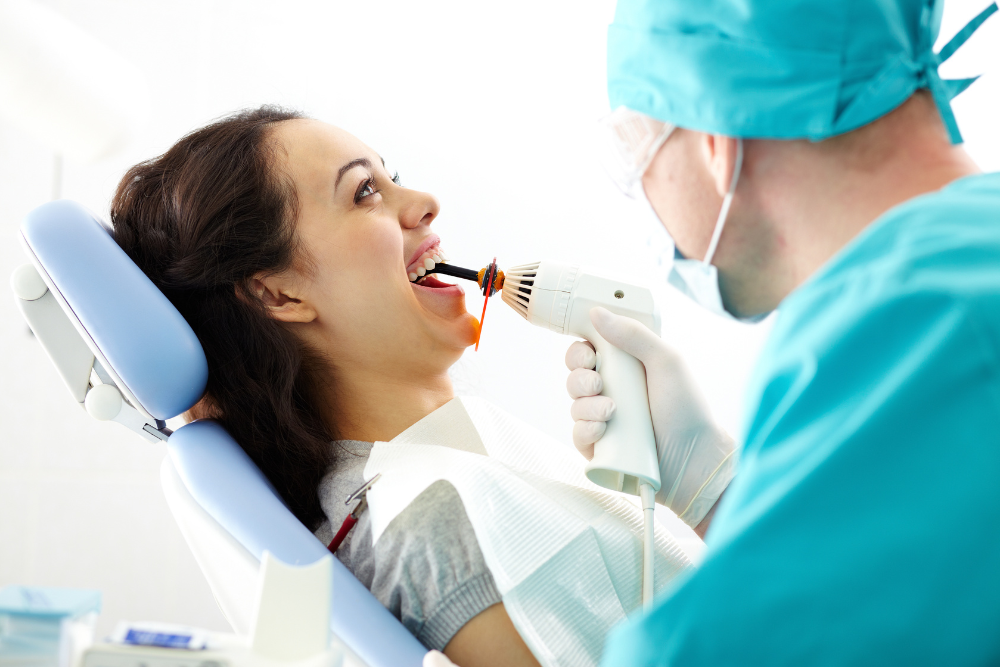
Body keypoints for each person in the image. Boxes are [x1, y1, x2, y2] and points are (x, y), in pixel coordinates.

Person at [430, 0, 1000, 665]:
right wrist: (719, 493)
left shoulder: (909, 328)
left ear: (714, 140)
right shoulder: (956, 270)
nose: (644, 194)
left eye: (635, 147)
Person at [110, 107, 691, 667]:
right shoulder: (432, 528)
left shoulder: (457, 457)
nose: (426, 204)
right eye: (364, 192)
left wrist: (701, 495)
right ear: (278, 295)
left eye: (394, 178)